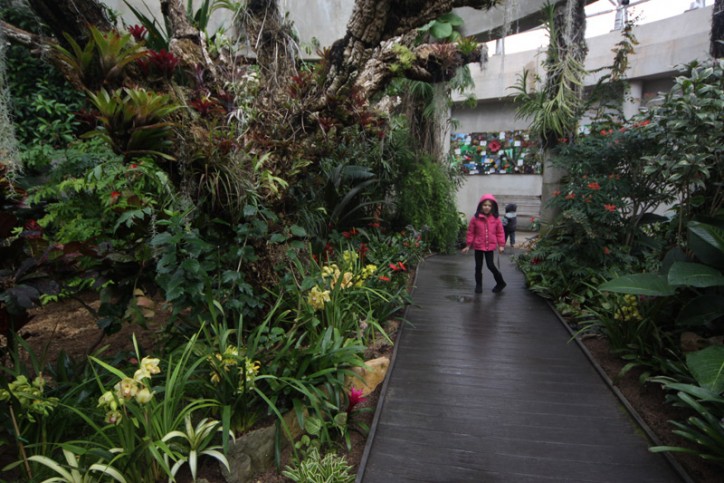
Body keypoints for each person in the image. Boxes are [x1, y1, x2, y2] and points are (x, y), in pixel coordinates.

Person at [461, 194, 507, 293]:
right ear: (481, 206)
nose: (487, 207)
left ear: (493, 207)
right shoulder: (475, 218)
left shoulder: (496, 219)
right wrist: (468, 245)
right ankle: (478, 285)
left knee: (490, 265)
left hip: (490, 247)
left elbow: (500, 232)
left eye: (489, 205)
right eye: (485, 205)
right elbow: (470, 232)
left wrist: (501, 245)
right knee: (478, 266)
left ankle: (501, 282)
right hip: (478, 246)